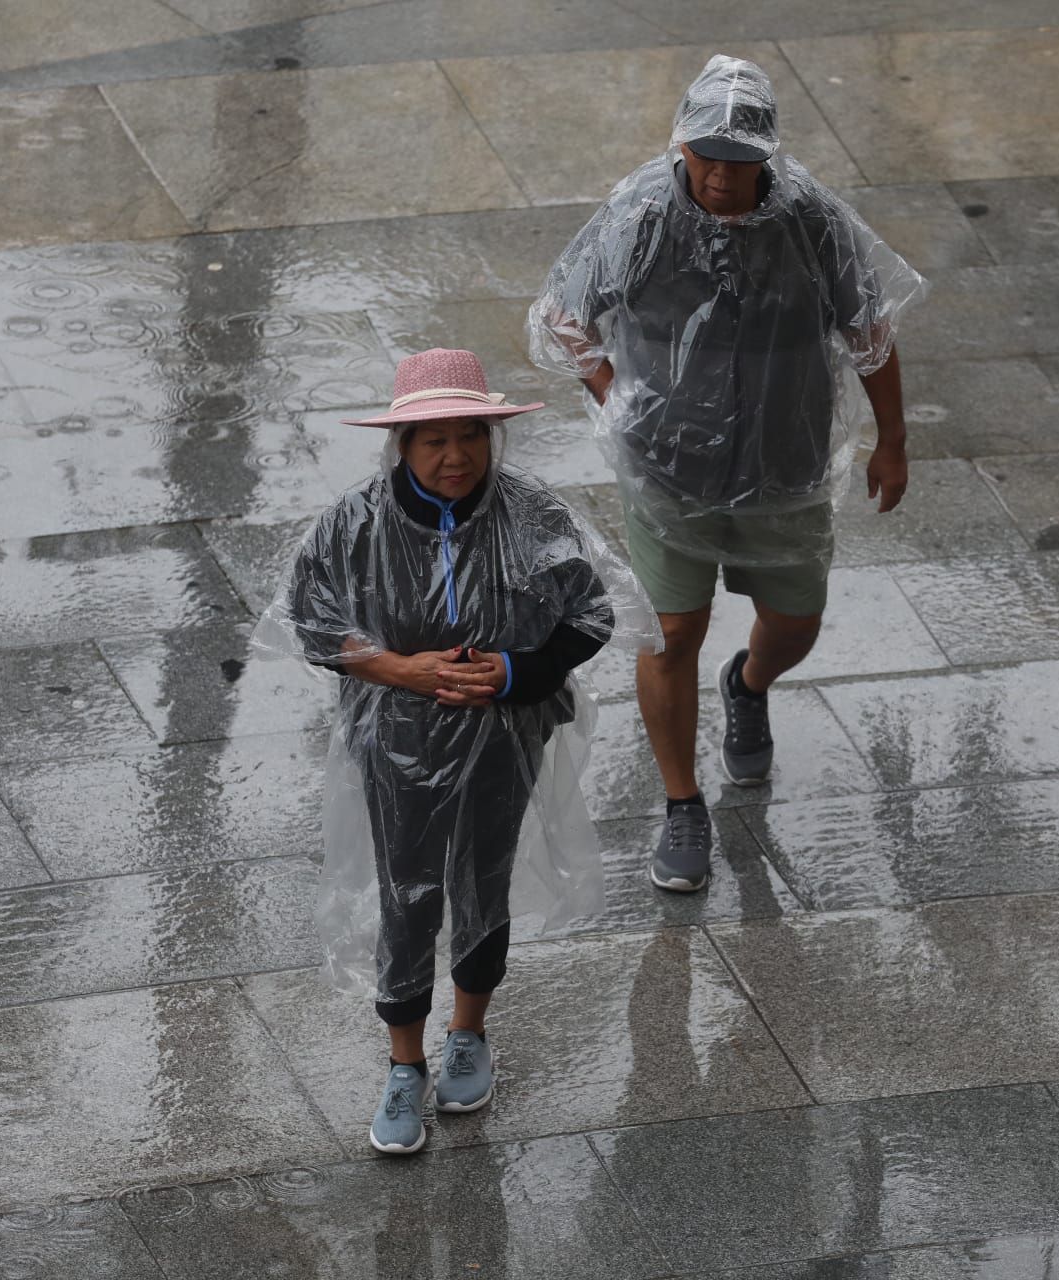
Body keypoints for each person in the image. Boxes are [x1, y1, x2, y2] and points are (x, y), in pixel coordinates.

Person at [528, 54, 927, 895]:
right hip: (666, 473)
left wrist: (892, 439)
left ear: (766, 159)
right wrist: (617, 399)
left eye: (737, 160)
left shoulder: (811, 220)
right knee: (669, 633)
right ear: (681, 146)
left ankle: (748, 683)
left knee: (795, 622)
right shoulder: (639, 215)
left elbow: (870, 331)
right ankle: (682, 803)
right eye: (704, 154)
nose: (717, 173)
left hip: (784, 464)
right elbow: (564, 315)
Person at [259, 348, 656, 1156]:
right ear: (400, 446)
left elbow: (590, 616)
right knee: (409, 891)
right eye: (433, 439)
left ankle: (469, 1032)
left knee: (484, 876)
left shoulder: (532, 514)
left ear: (491, 435)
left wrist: (514, 672)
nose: (455, 456)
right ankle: (405, 1064)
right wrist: (400, 667)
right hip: (395, 737)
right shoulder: (354, 522)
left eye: (470, 435)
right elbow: (309, 622)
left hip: (505, 733)